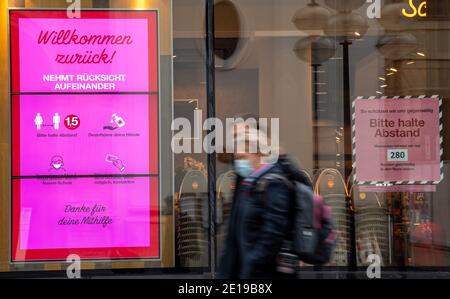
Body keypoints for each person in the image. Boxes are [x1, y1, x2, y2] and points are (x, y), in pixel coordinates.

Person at [218, 120, 312, 279]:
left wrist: (252, 265)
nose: (238, 161)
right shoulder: (249, 182)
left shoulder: (274, 183)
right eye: (237, 157)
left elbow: (273, 233)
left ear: (258, 153)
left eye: (242, 156)